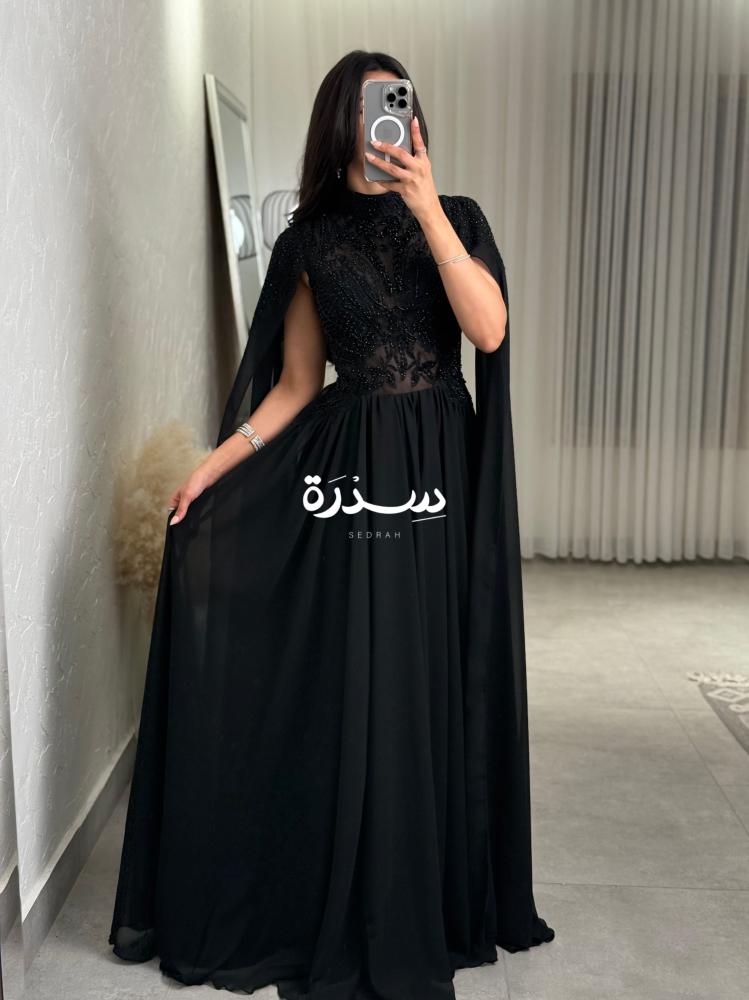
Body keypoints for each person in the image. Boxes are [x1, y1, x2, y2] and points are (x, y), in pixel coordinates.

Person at [108, 49, 554, 1000]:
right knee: (370, 674)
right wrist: (212, 467)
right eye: (364, 104)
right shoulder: (307, 240)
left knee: (430, 666)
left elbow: (487, 331)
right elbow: (295, 386)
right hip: (354, 468)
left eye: (394, 102)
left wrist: (427, 208)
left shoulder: (459, 214)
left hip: (440, 468)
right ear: (336, 122)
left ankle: (428, 890)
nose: (382, 119)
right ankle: (360, 883)